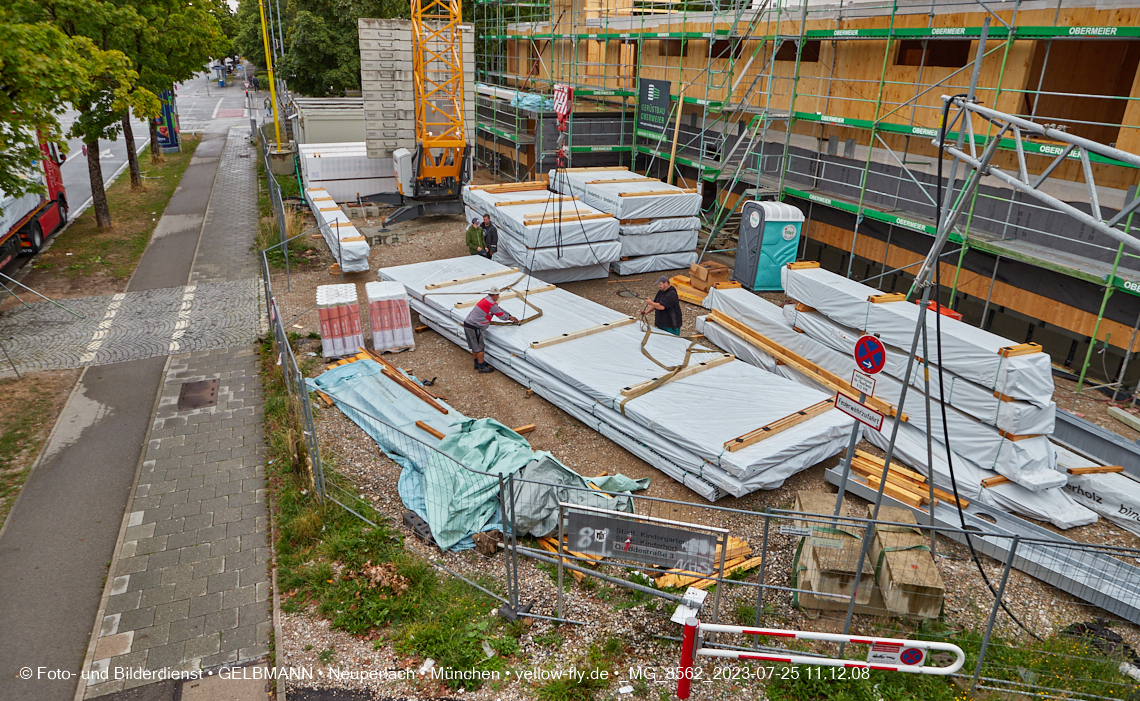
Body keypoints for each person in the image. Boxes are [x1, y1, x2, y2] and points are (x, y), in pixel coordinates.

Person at [463, 287, 518, 373]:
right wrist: (510, 318)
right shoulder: (491, 304)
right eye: (498, 295)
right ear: (495, 295)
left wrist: (509, 315)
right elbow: (501, 315)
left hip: (468, 324)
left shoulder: (486, 300)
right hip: (474, 327)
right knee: (479, 347)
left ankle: (476, 363)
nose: (498, 297)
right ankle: (481, 367)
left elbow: (499, 308)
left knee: (474, 346)